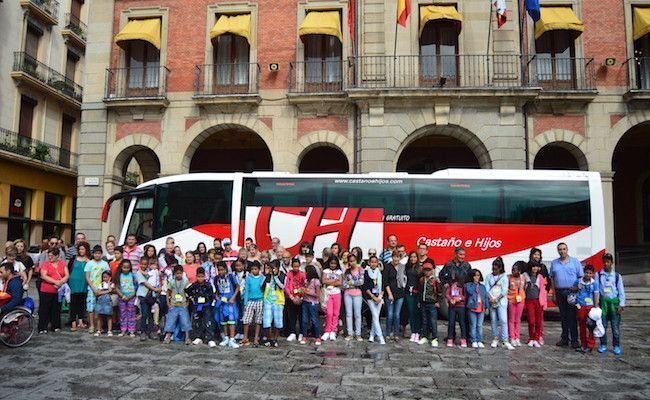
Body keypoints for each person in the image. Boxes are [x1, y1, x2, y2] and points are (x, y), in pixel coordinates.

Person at [549, 243, 584, 348]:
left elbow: (581, 277)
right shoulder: (554, 263)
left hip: (571, 292)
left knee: (572, 316)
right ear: (557, 251)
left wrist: (578, 287)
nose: (562, 251)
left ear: (567, 249)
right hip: (560, 292)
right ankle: (564, 338)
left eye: (564, 249)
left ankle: (574, 340)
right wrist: (554, 293)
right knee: (563, 316)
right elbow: (552, 278)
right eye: (560, 249)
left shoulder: (575, 262)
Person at [597, 253, 625, 355]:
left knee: (615, 327)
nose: (606, 263)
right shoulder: (598, 274)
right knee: (602, 326)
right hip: (603, 304)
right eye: (604, 262)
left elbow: (621, 291)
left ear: (612, 263)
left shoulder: (617, 276)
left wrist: (621, 304)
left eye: (608, 261)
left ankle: (616, 345)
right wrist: (596, 304)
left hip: (614, 304)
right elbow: (596, 290)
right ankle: (603, 344)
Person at [38, 247, 69, 333]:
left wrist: (61, 282)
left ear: (57, 256)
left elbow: (66, 275)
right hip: (46, 290)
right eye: (49, 255)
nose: (50, 257)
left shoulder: (62, 264)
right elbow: (44, 275)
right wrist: (55, 282)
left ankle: (55, 325)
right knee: (44, 309)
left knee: (56, 309)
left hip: (58, 291)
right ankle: (42, 327)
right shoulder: (46, 264)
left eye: (52, 256)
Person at [485, 257, 513, 350]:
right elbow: (487, 289)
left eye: (496, 268)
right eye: (493, 268)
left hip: (501, 302)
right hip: (491, 301)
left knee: (503, 320)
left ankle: (505, 340)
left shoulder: (504, 277)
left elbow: (505, 290)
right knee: (493, 320)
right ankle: (495, 338)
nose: (494, 270)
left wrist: (496, 299)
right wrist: (491, 299)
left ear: (500, 268)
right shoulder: (489, 276)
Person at [185, 267, 216, 347]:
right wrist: (192, 297)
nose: (200, 278)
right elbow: (187, 291)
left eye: (202, 276)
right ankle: (198, 337)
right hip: (196, 306)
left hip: (206, 306)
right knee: (196, 322)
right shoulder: (194, 285)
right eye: (198, 276)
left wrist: (210, 303)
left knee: (207, 322)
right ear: (196, 276)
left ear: (205, 276)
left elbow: (212, 295)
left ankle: (210, 338)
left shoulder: (208, 285)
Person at [84, 245, 109, 334]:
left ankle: (99, 326)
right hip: (92, 288)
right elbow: (87, 277)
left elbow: (107, 276)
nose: (97, 255)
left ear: (101, 254)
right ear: (93, 254)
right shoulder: (89, 263)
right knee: (91, 308)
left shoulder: (105, 264)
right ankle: (91, 325)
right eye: (95, 253)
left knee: (101, 308)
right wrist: (93, 288)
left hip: (102, 289)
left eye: (99, 253)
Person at [163, 265, 192, 345]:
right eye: (177, 273)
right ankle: (168, 336)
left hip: (183, 305)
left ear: (182, 273)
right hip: (173, 304)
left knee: (185, 321)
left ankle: (187, 337)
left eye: (180, 273)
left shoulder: (185, 281)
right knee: (170, 321)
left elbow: (189, 293)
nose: (179, 275)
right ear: (174, 274)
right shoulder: (172, 282)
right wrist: (168, 303)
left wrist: (187, 303)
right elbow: (168, 292)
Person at [574, 264, 599, 353]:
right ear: (584, 272)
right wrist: (577, 287)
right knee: (582, 325)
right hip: (580, 306)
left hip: (590, 306)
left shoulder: (595, 283)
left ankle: (590, 345)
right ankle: (583, 344)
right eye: (586, 273)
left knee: (591, 326)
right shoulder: (578, 281)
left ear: (593, 274)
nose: (588, 275)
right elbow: (572, 289)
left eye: (590, 273)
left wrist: (596, 307)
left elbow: (596, 294)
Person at [214, 262, 240, 348]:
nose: (221, 272)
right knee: (223, 320)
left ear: (226, 269)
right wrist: (217, 297)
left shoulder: (231, 277)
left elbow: (237, 287)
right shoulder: (216, 278)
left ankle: (232, 338)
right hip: (222, 302)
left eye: (222, 269)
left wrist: (233, 297)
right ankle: (225, 338)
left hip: (230, 302)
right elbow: (216, 290)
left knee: (231, 320)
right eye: (219, 270)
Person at [136, 257, 161, 341]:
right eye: (142, 264)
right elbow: (145, 283)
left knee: (151, 314)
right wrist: (155, 289)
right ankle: (143, 331)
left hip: (151, 296)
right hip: (143, 295)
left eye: (145, 264)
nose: (144, 266)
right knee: (144, 314)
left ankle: (150, 331)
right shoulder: (139, 273)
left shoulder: (150, 272)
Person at [523, 261, 547, 347]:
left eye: (536, 267)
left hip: (538, 301)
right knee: (531, 321)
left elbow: (543, 291)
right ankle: (531, 337)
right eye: (533, 267)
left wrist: (544, 303)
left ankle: (536, 338)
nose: (534, 268)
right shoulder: (525, 276)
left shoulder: (540, 277)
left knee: (538, 321)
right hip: (529, 301)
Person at [383, 250, 406, 341]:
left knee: (397, 314)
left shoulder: (402, 267)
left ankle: (396, 334)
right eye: (394, 257)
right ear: (392, 257)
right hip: (390, 293)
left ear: (400, 258)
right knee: (390, 314)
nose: (396, 258)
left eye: (398, 257)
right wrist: (389, 294)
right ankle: (388, 333)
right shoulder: (387, 267)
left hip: (400, 293)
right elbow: (385, 281)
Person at [67, 242, 90, 331]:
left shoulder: (89, 260)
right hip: (73, 283)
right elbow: (68, 269)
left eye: (83, 249)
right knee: (73, 303)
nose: (81, 251)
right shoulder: (74, 259)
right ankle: (73, 322)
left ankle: (80, 321)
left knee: (81, 302)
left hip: (84, 283)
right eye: (80, 249)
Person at [263, 259, 286, 347]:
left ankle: (275, 339)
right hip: (268, 301)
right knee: (266, 321)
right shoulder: (268, 275)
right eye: (270, 268)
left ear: (278, 268)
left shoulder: (282, 275)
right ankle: (268, 338)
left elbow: (282, 286)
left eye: (273, 267)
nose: (271, 269)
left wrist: (276, 276)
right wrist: (266, 275)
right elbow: (262, 285)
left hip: (278, 301)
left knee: (278, 322)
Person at [418, 262, 442, 347]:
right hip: (424, 303)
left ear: (432, 271)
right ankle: (425, 336)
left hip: (432, 304)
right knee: (424, 321)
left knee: (433, 321)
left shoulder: (435, 280)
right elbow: (420, 291)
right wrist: (419, 301)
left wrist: (438, 302)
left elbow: (439, 292)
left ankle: (434, 338)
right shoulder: (421, 279)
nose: (427, 272)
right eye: (425, 270)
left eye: (429, 270)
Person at [362, 256, 384, 344]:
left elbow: (383, 284)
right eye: (372, 262)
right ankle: (380, 337)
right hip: (370, 297)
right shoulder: (366, 273)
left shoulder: (380, 272)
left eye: (375, 262)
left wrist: (380, 296)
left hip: (379, 296)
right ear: (369, 263)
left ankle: (372, 335)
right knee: (374, 316)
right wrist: (373, 297)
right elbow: (366, 287)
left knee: (376, 317)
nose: (374, 264)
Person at [242, 261, 265, 347]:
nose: (253, 271)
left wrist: (264, 301)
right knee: (246, 319)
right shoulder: (248, 278)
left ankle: (256, 338)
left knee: (258, 320)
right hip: (250, 301)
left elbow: (264, 290)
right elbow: (247, 290)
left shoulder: (262, 278)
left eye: (255, 269)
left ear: (259, 269)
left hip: (260, 300)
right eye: (252, 269)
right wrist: (245, 302)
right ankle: (245, 337)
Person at [321, 257, 343, 341]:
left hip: (337, 294)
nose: (333, 265)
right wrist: (334, 281)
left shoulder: (339, 272)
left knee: (336, 313)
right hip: (328, 294)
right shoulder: (325, 271)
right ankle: (327, 330)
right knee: (329, 313)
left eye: (334, 263)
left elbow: (340, 282)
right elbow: (323, 281)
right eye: (331, 263)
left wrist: (329, 281)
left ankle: (333, 331)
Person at [465, 269, 488, 348]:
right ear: (472, 277)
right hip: (472, 307)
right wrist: (475, 285)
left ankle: (479, 340)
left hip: (481, 308)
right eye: (475, 275)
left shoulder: (483, 287)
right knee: (473, 325)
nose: (477, 277)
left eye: (478, 275)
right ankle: (473, 340)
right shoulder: (469, 285)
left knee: (479, 325)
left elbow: (485, 297)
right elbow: (469, 291)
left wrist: (486, 307)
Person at [114, 259, 137, 337]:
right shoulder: (119, 276)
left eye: (127, 267)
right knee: (123, 314)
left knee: (131, 314)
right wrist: (122, 296)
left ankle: (131, 330)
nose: (126, 269)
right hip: (122, 297)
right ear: (121, 267)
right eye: (124, 267)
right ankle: (123, 330)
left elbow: (136, 287)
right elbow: (116, 287)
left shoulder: (133, 275)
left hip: (131, 297)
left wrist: (132, 295)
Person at [284, 258, 306, 341]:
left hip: (300, 298)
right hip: (291, 298)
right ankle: (292, 332)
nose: (296, 268)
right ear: (292, 266)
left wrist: (301, 297)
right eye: (294, 266)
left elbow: (305, 285)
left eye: (297, 266)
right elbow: (286, 286)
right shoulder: (288, 274)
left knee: (301, 316)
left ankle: (301, 333)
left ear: (299, 266)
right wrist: (292, 297)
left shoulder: (303, 274)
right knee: (292, 316)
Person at [300, 264, 322, 345]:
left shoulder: (316, 281)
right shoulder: (306, 281)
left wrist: (307, 292)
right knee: (304, 320)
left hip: (313, 303)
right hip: (305, 302)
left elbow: (318, 294)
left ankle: (317, 336)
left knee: (314, 320)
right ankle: (304, 336)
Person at [507, 261, 527, 347]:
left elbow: (525, 287)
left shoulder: (523, 277)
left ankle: (517, 337)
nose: (514, 272)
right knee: (511, 320)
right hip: (511, 300)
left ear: (519, 271)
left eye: (516, 270)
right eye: (513, 270)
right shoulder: (509, 278)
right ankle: (512, 337)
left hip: (520, 300)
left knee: (518, 320)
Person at [404, 251, 422, 343]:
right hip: (408, 293)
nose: (413, 259)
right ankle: (413, 332)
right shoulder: (407, 267)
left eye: (414, 257)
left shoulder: (420, 269)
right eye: (411, 257)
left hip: (417, 293)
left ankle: (418, 332)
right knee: (411, 313)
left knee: (417, 313)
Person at [445, 276, 467, 347]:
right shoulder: (451, 286)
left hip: (461, 306)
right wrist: (450, 299)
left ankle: (463, 338)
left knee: (462, 323)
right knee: (451, 322)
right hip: (452, 306)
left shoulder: (462, 286)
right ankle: (450, 338)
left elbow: (465, 296)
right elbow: (447, 294)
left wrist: (459, 298)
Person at [94, 271, 115, 336]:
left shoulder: (112, 284)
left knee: (109, 316)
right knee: (99, 316)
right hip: (100, 302)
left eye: (106, 277)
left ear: (110, 277)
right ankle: (99, 330)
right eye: (103, 277)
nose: (104, 278)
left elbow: (111, 290)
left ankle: (109, 330)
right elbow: (98, 293)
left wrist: (108, 283)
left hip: (108, 302)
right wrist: (107, 291)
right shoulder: (101, 284)